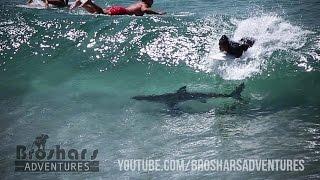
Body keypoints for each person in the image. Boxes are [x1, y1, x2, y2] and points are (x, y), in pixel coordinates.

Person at [70, 0, 165, 16]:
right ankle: (90, 2)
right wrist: (158, 13)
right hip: (121, 11)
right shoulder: (144, 4)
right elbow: (145, 10)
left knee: (97, 12)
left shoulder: (139, 3)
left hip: (120, 9)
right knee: (101, 13)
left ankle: (84, 3)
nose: (153, 2)